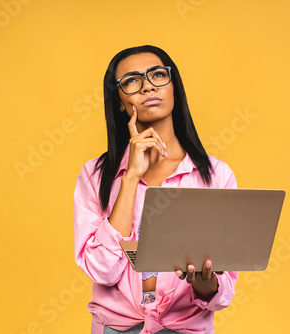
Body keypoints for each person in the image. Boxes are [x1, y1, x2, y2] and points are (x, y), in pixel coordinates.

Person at [74, 45, 239, 334]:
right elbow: (102, 270)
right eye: (132, 80)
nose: (148, 85)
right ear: (119, 102)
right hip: (115, 328)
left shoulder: (215, 175)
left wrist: (204, 283)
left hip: (185, 328)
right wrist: (130, 177)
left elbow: (222, 294)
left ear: (175, 89)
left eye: (158, 75)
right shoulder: (95, 175)